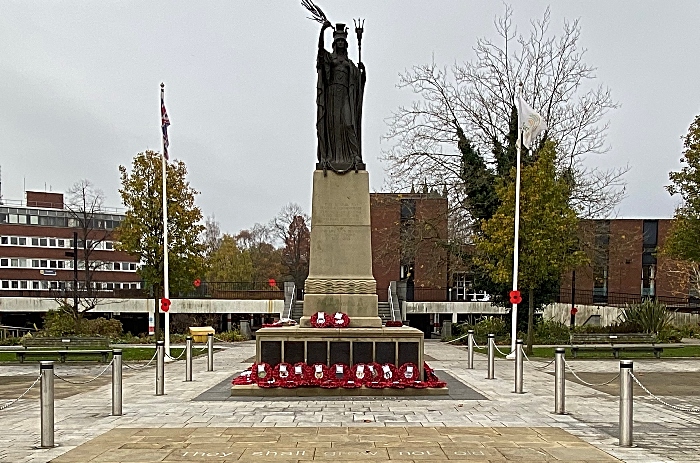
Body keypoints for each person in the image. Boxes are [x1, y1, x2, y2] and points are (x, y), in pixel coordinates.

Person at [316, 21, 366, 173]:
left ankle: (354, 155)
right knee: (332, 126)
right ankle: (329, 156)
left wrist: (362, 74)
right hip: (331, 96)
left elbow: (357, 81)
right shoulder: (330, 60)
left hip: (345, 96)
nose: (340, 43)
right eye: (338, 41)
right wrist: (322, 31)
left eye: (342, 41)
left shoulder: (349, 63)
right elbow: (320, 52)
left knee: (348, 123)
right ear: (334, 43)